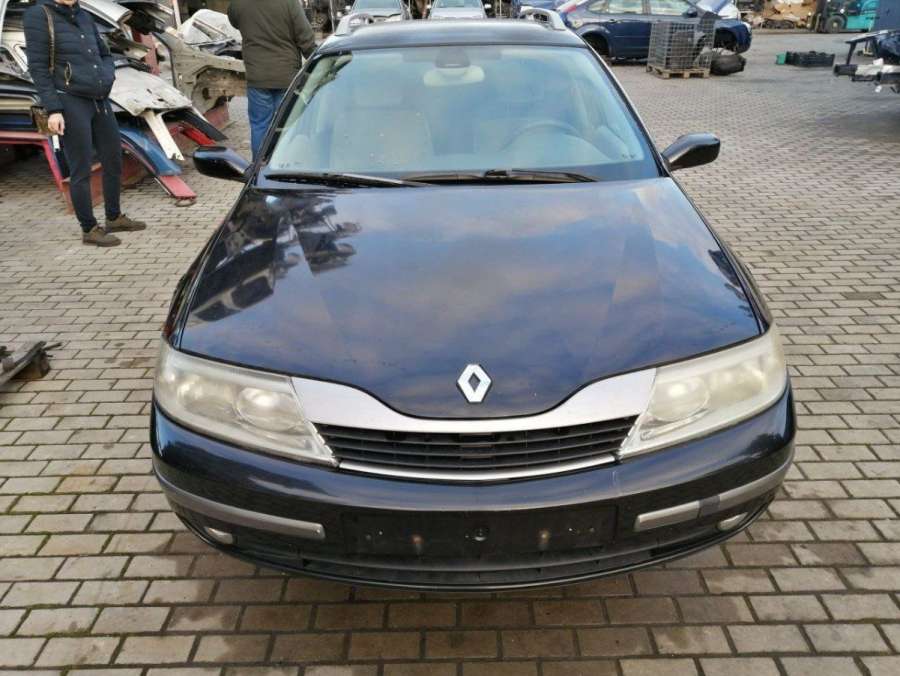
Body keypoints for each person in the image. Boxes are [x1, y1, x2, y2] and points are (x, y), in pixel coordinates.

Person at [24, 0, 147, 248]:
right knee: (81, 168)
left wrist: (107, 76)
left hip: (99, 98)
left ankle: (114, 217)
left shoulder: (83, 15)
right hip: (69, 100)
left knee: (113, 159)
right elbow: (37, 67)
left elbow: (104, 53)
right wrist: (54, 109)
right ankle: (89, 228)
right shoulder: (38, 15)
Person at [228, 0, 316, 159]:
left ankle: (259, 166)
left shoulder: (238, 3)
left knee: (260, 126)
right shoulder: (289, 3)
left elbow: (234, 21)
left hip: (257, 77)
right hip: (287, 78)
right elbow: (305, 37)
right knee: (287, 125)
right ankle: (285, 164)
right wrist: (318, 64)